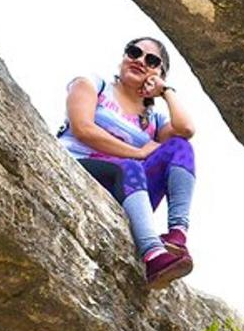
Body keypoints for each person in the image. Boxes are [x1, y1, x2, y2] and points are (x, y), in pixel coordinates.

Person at [58, 37, 197, 289]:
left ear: (159, 73)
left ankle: (177, 234)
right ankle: (153, 254)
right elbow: (82, 129)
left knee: (180, 147)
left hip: (128, 186)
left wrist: (166, 91)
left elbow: (186, 129)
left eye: (151, 60)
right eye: (134, 53)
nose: (140, 61)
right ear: (124, 57)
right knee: (129, 165)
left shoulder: (153, 119)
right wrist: (138, 152)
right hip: (82, 166)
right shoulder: (93, 84)